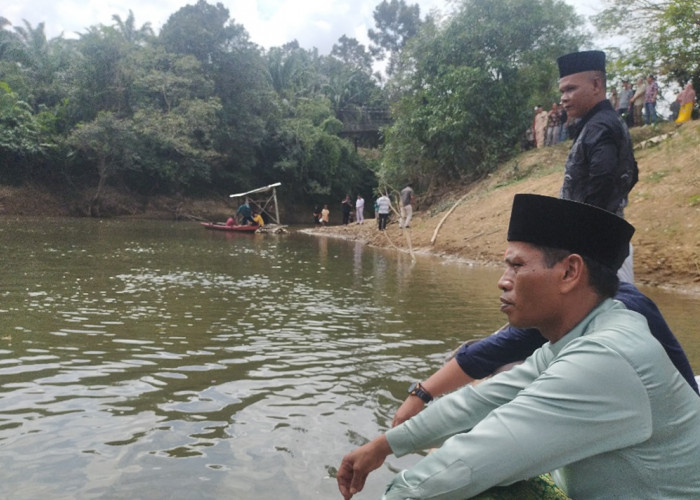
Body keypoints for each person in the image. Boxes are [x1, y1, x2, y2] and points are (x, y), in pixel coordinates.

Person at [337, 194, 700, 500]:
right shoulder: (583, 333)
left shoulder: (607, 357)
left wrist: (395, 494)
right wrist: (385, 445)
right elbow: (482, 399)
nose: (502, 281)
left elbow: (476, 457)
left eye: (516, 266)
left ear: (570, 273)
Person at [557, 50, 638, 282]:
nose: (563, 98)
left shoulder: (600, 126)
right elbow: (631, 174)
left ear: (596, 85)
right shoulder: (605, 123)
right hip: (608, 241)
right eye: (562, 91)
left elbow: (602, 180)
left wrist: (582, 238)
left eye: (570, 89)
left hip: (597, 248)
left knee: (612, 307)